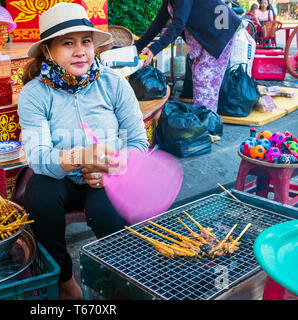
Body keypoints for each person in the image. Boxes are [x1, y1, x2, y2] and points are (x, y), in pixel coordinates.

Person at [17, 3, 149, 300]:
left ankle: (121, 280)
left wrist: (114, 167)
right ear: (48, 51)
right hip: (58, 177)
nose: (80, 51)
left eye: (85, 41)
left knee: (108, 210)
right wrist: (79, 157)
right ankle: (63, 280)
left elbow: (139, 144)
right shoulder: (35, 94)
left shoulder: (115, 85)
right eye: (68, 43)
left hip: (107, 176)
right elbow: (38, 156)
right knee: (38, 194)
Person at [134, 0, 242, 113]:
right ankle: (203, 120)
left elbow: (178, 23)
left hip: (220, 32)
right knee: (199, 76)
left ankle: (205, 123)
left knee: (205, 82)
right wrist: (136, 47)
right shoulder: (169, 2)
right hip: (209, 35)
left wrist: (154, 48)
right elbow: (158, 23)